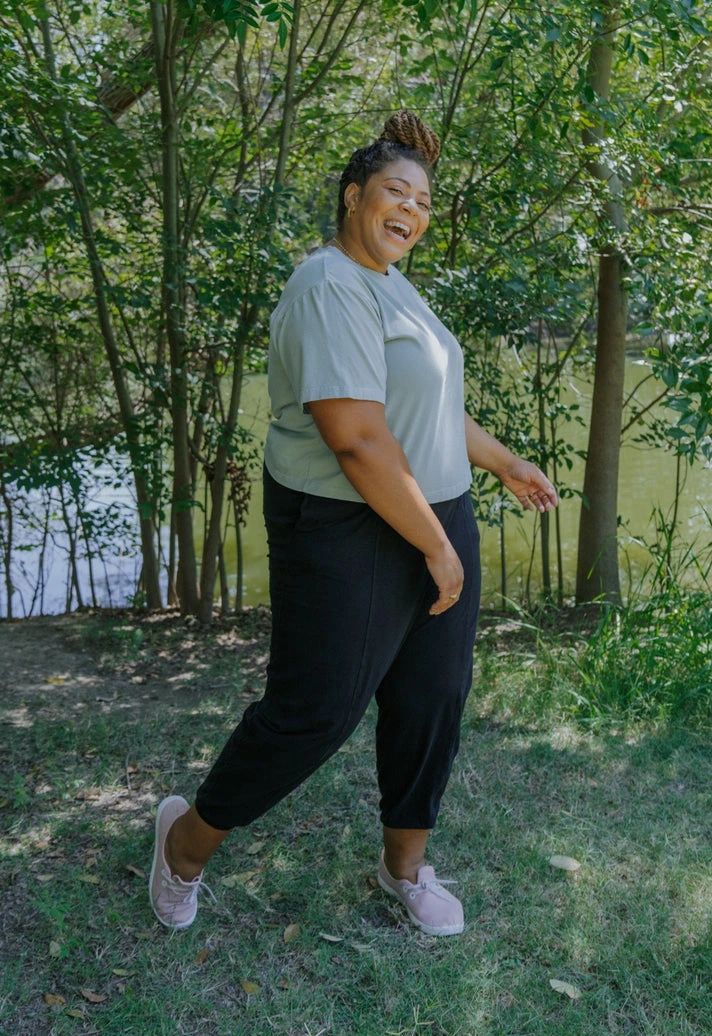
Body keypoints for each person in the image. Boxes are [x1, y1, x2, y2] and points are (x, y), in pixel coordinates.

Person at [149, 110, 557, 937]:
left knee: (431, 700)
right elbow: (359, 440)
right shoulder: (327, 286)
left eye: (424, 201)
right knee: (316, 712)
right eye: (395, 191)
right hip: (345, 526)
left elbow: (426, 408)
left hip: (432, 512)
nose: (411, 209)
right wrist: (437, 547)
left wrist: (504, 461)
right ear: (352, 196)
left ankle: (403, 870)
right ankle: (183, 845)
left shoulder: (394, 284)